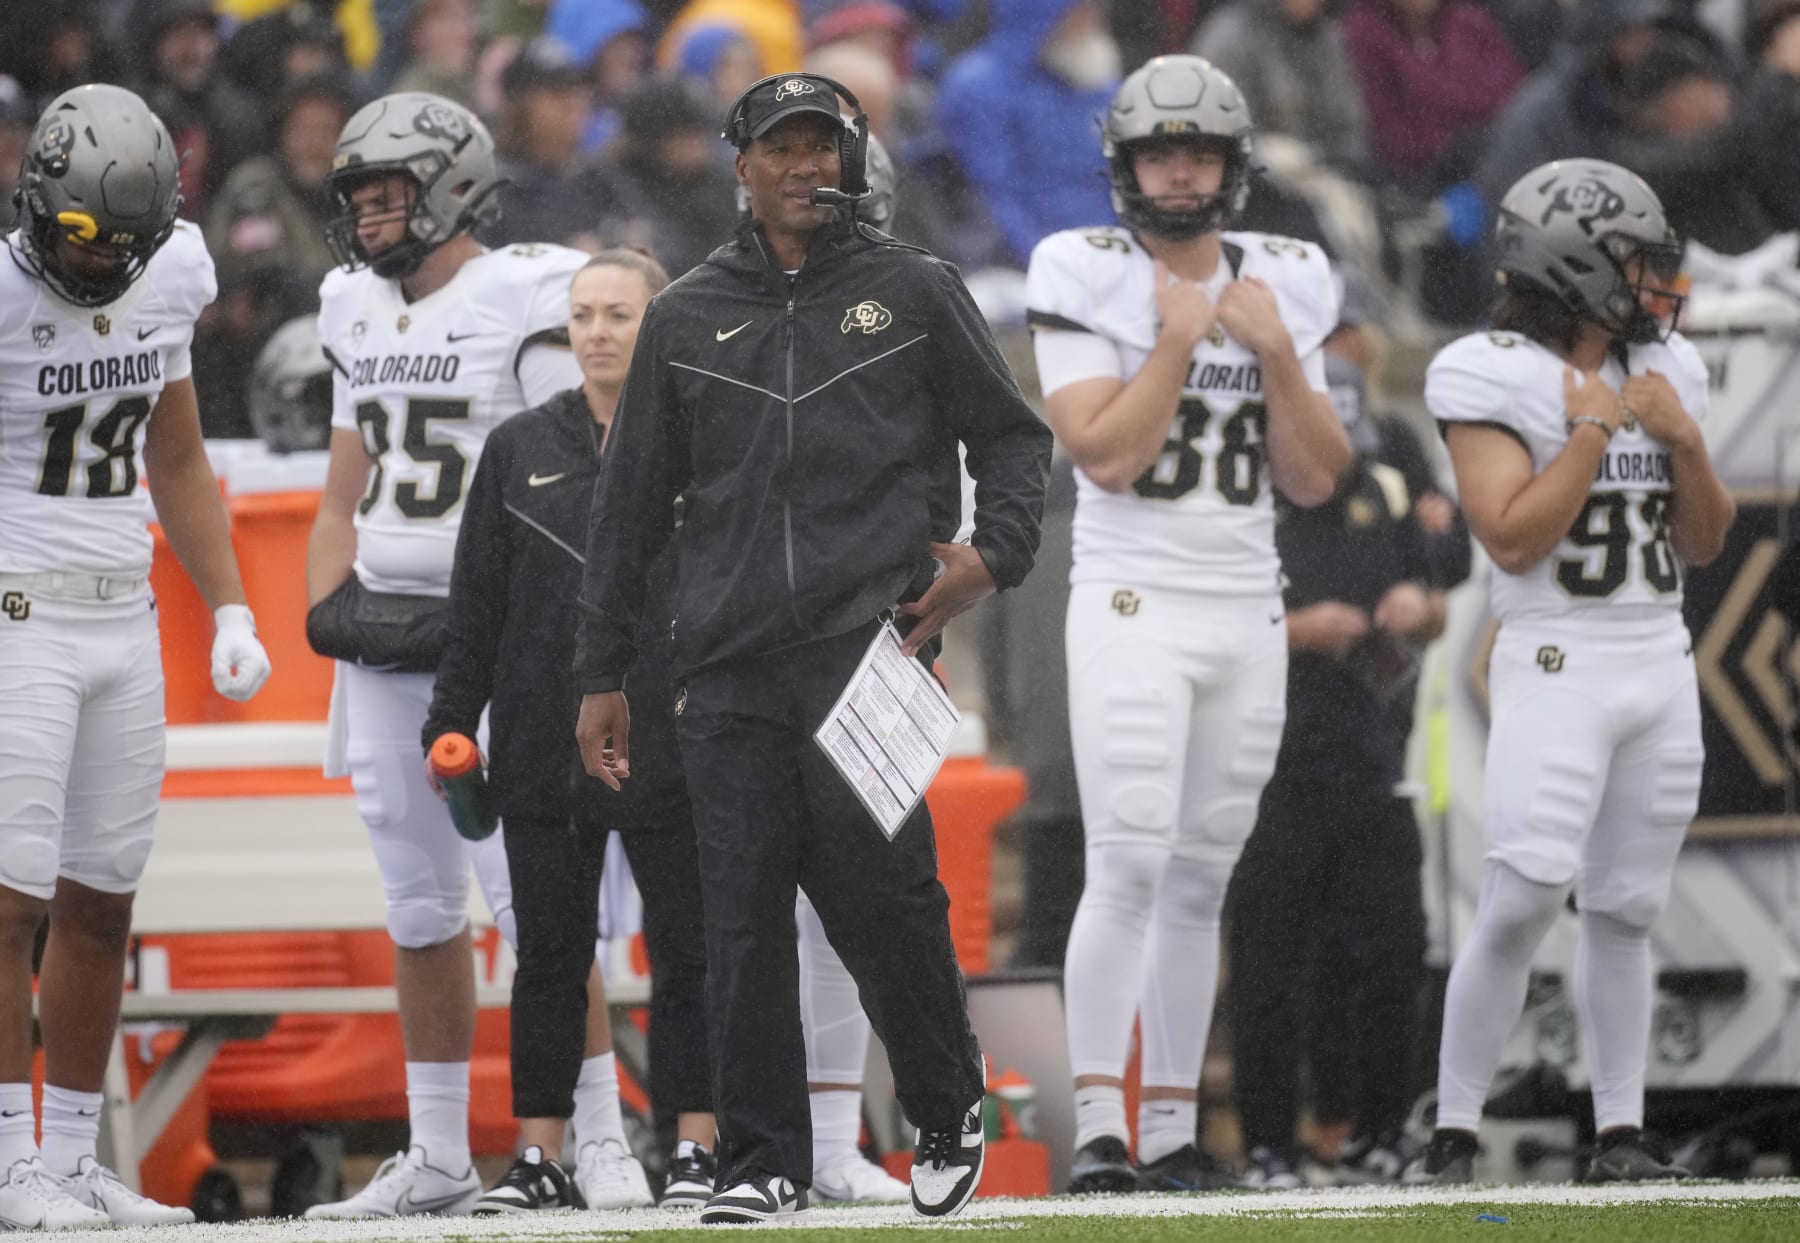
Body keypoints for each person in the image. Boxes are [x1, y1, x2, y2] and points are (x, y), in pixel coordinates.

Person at [575, 72, 1052, 1223]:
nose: (805, 168)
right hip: (725, 661)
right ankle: (762, 1162)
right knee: (734, 917)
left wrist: (995, 553)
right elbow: (630, 504)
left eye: (823, 147)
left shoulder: (918, 288)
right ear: (740, 165)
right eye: (783, 148)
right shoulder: (684, 314)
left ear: (849, 159)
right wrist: (600, 672)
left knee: (885, 900)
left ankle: (945, 1103)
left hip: (870, 646)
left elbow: (1014, 437)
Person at [1024, 54, 1350, 1194]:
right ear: (1125, 165)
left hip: (1245, 600)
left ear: (1231, 164)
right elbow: (1105, 453)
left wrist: (1268, 352)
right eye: (1158, 150)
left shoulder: (1289, 280)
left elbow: (1316, 478)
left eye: (1196, 151)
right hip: (1132, 598)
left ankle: (1168, 1127)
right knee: (1127, 856)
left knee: (1204, 873)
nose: (1176, 171)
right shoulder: (1082, 265)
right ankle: (1102, 1128)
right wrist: (1175, 340)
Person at [1411, 157, 1735, 1184]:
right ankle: (1453, 1134)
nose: (1652, 283)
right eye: (1633, 261)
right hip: (1556, 654)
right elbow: (1511, 535)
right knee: (1523, 894)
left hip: (1658, 657)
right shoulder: (1487, 368)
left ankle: (1623, 1132)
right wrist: (1594, 422)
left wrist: (1685, 445)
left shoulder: (1670, 368)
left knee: (1629, 906)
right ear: (1574, 261)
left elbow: (1706, 542)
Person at [300, 91, 590, 1218]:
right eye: (359, 194)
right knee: (419, 902)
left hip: (502, 640)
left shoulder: (523, 293)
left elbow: (573, 476)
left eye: (392, 191)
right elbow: (343, 483)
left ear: (456, 186)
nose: (372, 214)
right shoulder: (347, 305)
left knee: (538, 903)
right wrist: (328, 602)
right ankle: (436, 1154)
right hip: (385, 641)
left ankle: (595, 1139)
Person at [0, 83, 271, 1229]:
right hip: (16, 610)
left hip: (121, 614)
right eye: (84, 239)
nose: (105, 263)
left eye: (127, 243)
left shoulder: (172, 271)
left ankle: (69, 1158)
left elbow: (179, 453)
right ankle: (8, 1160)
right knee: (8, 903)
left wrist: (230, 607)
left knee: (103, 898)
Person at [423, 251, 697, 1214]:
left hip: (676, 732)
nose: (597, 332)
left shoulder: (705, 438)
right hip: (541, 735)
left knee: (688, 945)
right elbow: (477, 604)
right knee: (547, 951)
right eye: (582, 314)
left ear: (659, 324)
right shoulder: (515, 448)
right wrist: (450, 717)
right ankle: (540, 1157)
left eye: (619, 314)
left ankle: (695, 1145)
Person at [1225, 317, 1468, 1190]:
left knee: (1393, 949)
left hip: (1372, 750)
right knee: (1267, 962)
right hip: (1267, 766)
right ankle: (1268, 1145)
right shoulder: (1242, 494)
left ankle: (1375, 1130)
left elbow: (1440, 582)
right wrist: (1295, 632)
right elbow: (1204, 619)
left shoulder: (1384, 482)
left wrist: (1417, 605)